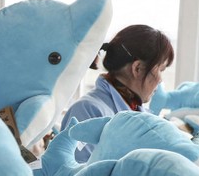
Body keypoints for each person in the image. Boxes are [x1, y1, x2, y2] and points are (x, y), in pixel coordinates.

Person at [59, 24, 174, 162]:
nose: (161, 80)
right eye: (160, 69)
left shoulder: (143, 114)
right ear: (137, 68)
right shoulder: (87, 110)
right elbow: (76, 175)